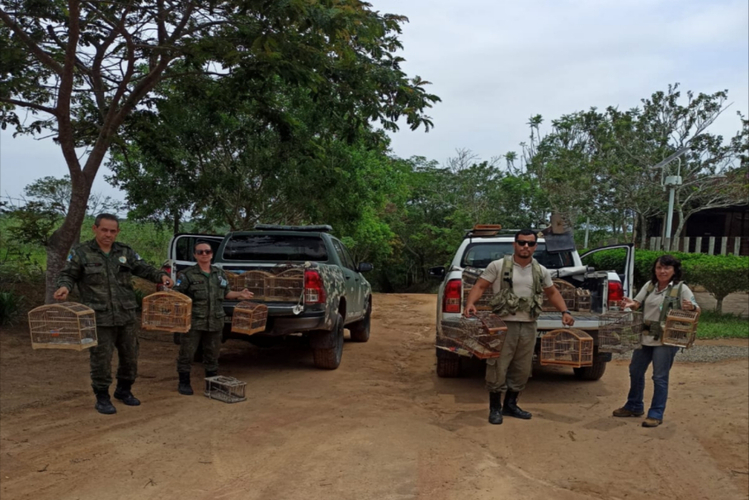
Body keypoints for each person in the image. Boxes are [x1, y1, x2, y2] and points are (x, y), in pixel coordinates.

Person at [54, 213, 173, 415]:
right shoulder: (82, 252)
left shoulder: (124, 251)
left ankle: (124, 391)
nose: (108, 234)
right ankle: (102, 397)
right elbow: (68, 274)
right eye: (104, 230)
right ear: (95, 229)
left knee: (130, 357)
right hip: (99, 318)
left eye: (112, 231)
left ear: (117, 232)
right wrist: (64, 287)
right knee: (101, 359)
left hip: (126, 316)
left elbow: (142, 268)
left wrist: (161, 275)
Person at [464, 229, 575, 425]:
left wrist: (565, 311)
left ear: (535, 247)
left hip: (529, 325)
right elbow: (480, 286)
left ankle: (511, 404)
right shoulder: (497, 266)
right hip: (502, 325)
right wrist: (470, 303)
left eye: (530, 244)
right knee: (498, 366)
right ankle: (495, 408)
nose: (526, 247)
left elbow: (552, 293)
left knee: (523, 367)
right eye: (522, 243)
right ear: (514, 245)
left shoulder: (540, 270)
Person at [614, 254, 699, 428]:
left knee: (659, 376)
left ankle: (656, 413)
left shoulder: (681, 288)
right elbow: (637, 303)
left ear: (674, 271)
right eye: (659, 267)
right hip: (645, 336)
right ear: (655, 269)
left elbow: (696, 310)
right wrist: (630, 304)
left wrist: (691, 307)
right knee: (635, 371)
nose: (662, 271)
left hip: (666, 340)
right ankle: (634, 405)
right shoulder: (650, 286)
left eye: (667, 268)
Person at [173, 241, 253, 395]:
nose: (204, 254)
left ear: (211, 254)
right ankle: (184, 382)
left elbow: (226, 293)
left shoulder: (219, 273)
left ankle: (213, 384)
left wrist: (240, 294)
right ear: (195, 254)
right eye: (200, 252)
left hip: (215, 321)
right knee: (187, 354)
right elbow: (178, 295)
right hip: (194, 322)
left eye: (207, 252)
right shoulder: (187, 275)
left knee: (213, 354)